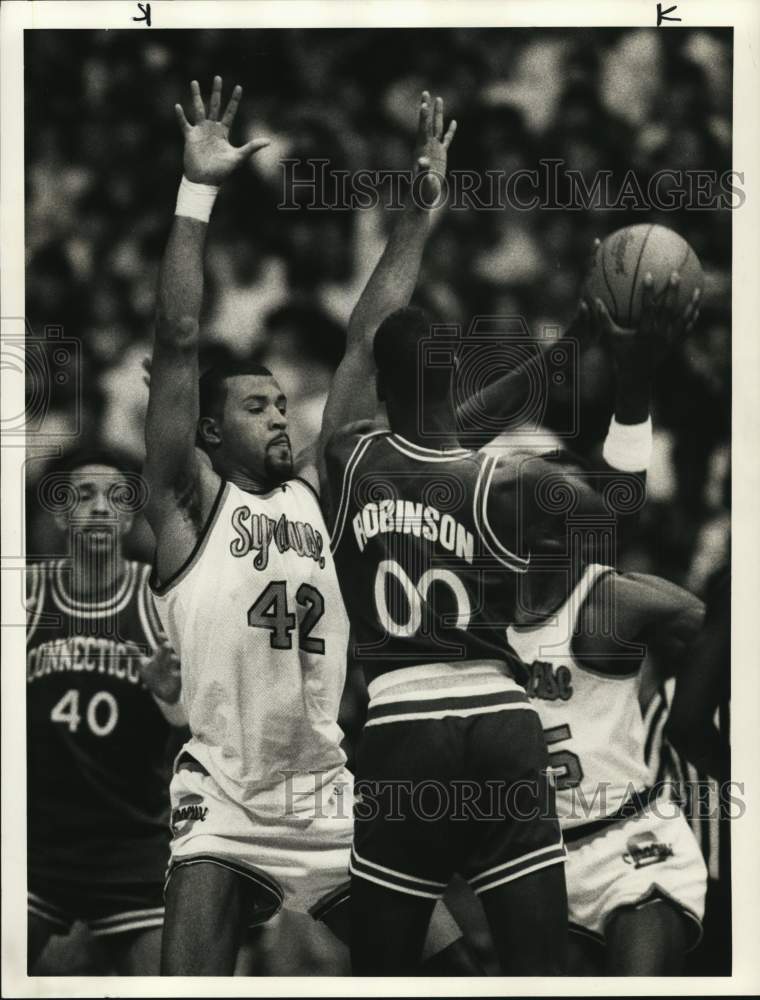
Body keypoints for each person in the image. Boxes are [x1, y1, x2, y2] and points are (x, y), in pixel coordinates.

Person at [144, 76, 474, 975]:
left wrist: (418, 215)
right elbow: (177, 335)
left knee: (457, 975)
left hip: (327, 792)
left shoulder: (318, 491)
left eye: (284, 403)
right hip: (226, 796)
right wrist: (197, 192)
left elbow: (367, 341)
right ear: (212, 433)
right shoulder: (186, 504)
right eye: (257, 406)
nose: (282, 417)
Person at [325, 296, 632, 974]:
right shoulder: (510, 479)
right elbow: (609, 515)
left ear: (381, 389)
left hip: (403, 722)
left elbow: (443, 418)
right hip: (502, 720)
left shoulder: (350, 459)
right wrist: (573, 351)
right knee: (539, 970)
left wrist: (555, 356)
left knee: (384, 970)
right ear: (456, 376)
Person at [26, 449, 186, 975]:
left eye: (115, 497)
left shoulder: (159, 602)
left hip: (131, 846)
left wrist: (169, 695)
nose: (99, 508)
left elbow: (194, 726)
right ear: (59, 514)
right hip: (36, 846)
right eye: (83, 496)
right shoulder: (26, 598)